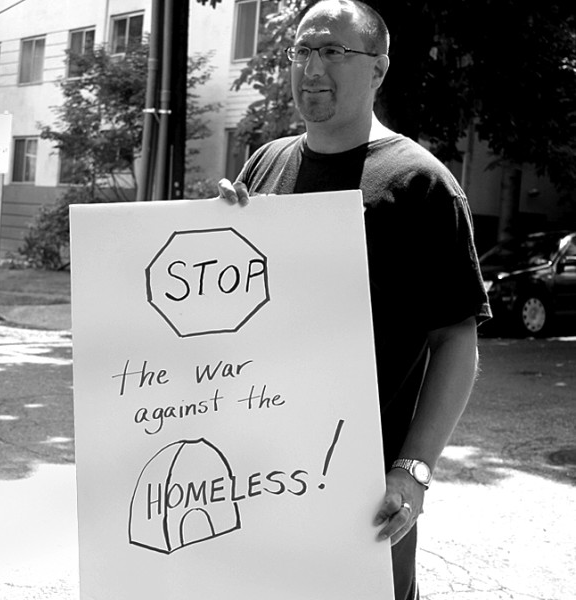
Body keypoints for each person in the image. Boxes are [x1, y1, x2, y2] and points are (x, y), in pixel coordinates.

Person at [217, 1, 492, 598]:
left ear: (379, 69)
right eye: (302, 52)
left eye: (334, 52)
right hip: (252, 483)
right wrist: (216, 232)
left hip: (360, 500)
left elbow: (455, 338)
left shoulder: (419, 183)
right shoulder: (266, 164)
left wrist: (413, 470)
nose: (312, 68)